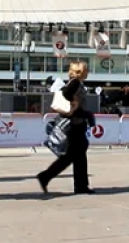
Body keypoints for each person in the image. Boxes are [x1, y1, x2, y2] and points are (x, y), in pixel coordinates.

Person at [37, 61, 95, 195]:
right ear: (81, 72)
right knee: (75, 155)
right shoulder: (75, 83)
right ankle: (48, 177)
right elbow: (66, 94)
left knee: (75, 155)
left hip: (77, 122)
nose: (88, 72)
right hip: (74, 124)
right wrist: (76, 105)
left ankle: (78, 185)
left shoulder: (73, 82)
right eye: (86, 70)